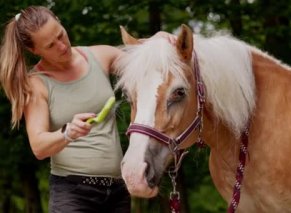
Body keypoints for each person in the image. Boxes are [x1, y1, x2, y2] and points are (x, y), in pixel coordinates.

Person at [0, 5, 173, 213]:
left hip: (118, 190)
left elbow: (147, 66)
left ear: (59, 20)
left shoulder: (99, 56)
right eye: (50, 45)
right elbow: (38, 146)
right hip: (73, 194)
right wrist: (67, 133)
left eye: (60, 35)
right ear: (34, 50)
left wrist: (158, 41)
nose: (62, 46)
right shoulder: (37, 84)